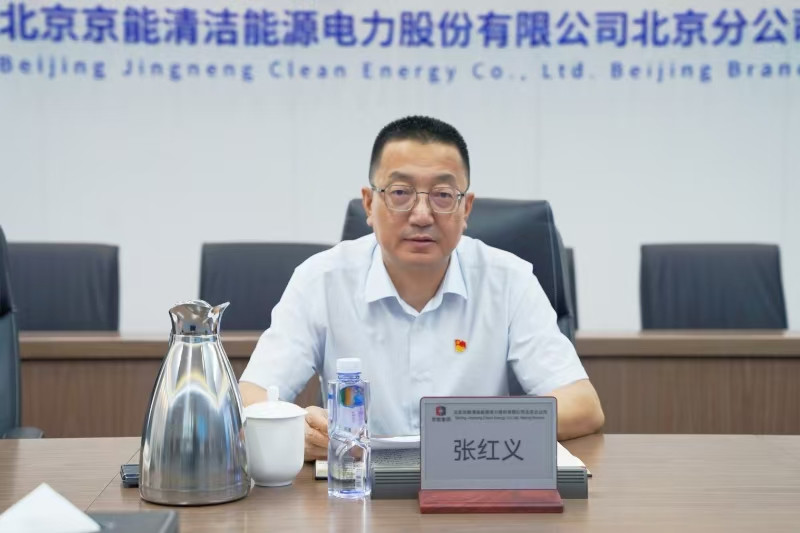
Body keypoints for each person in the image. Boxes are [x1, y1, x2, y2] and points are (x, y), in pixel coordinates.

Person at [240, 116, 604, 461]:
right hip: (357, 488)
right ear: (369, 204)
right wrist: (298, 431)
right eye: (400, 192)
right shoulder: (321, 279)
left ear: (466, 209)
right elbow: (249, 398)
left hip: (471, 486)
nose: (421, 215)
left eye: (443, 195)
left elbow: (583, 406)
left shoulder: (509, 280)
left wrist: (462, 437)